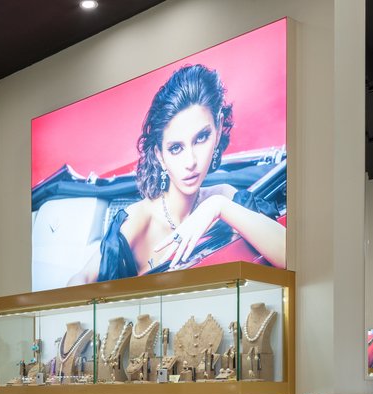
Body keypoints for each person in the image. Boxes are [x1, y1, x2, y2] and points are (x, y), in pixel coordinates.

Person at [68, 64, 286, 285]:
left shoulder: (224, 198)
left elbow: (289, 255)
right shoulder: (138, 221)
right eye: (175, 148)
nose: (191, 162)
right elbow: (81, 279)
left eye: (201, 138)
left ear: (218, 129)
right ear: (160, 155)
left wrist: (218, 207)